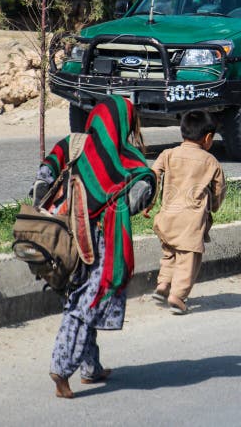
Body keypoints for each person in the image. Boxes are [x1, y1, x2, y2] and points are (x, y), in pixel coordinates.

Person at [38, 95, 155, 399]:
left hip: (68, 237)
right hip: (102, 243)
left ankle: (91, 367)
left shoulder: (74, 142)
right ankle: (61, 368)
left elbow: (47, 170)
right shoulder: (128, 158)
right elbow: (138, 196)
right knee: (87, 303)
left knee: (79, 296)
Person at [146, 111, 227, 314]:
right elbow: (219, 190)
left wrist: (149, 203)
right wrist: (214, 207)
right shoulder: (211, 162)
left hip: (167, 218)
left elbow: (153, 176)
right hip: (191, 222)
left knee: (170, 253)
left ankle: (163, 285)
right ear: (208, 138)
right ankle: (178, 296)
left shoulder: (168, 154)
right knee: (188, 260)